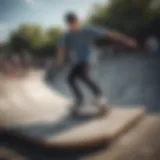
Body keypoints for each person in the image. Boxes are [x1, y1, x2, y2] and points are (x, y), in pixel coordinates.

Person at [56, 12, 138, 113]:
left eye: (74, 22)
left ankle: (100, 96)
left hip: (89, 59)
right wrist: (59, 61)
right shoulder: (67, 36)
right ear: (68, 24)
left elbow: (109, 33)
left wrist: (126, 40)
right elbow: (62, 48)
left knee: (83, 75)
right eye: (70, 24)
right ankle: (79, 99)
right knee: (70, 79)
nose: (73, 25)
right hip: (78, 61)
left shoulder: (88, 30)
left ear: (78, 21)